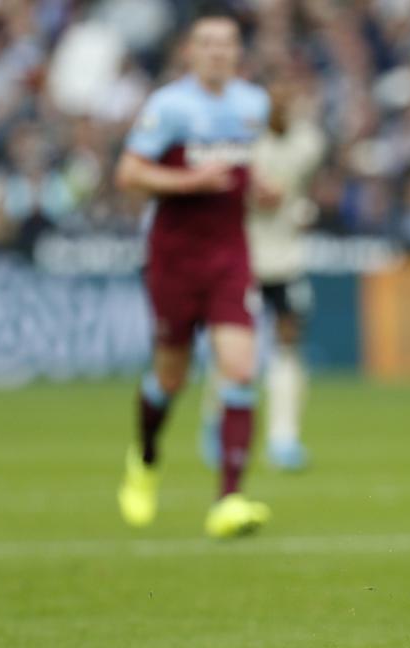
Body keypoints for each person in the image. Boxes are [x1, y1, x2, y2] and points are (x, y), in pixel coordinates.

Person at [115, 8, 272, 539]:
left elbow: (243, 171)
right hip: (174, 259)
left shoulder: (252, 104)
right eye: (207, 43)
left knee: (241, 369)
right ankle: (146, 456)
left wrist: (262, 187)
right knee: (170, 378)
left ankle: (228, 499)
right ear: (190, 50)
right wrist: (191, 182)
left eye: (226, 43)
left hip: (230, 256)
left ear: (237, 52)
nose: (217, 52)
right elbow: (129, 172)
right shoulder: (170, 106)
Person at [201, 70, 325, 471]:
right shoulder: (243, 143)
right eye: (276, 100)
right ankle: (216, 424)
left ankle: (283, 439)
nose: (283, 107)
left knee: (289, 342)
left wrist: (292, 203)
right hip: (245, 259)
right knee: (237, 348)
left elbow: (292, 186)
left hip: (286, 260)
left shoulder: (307, 142)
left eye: (289, 99)